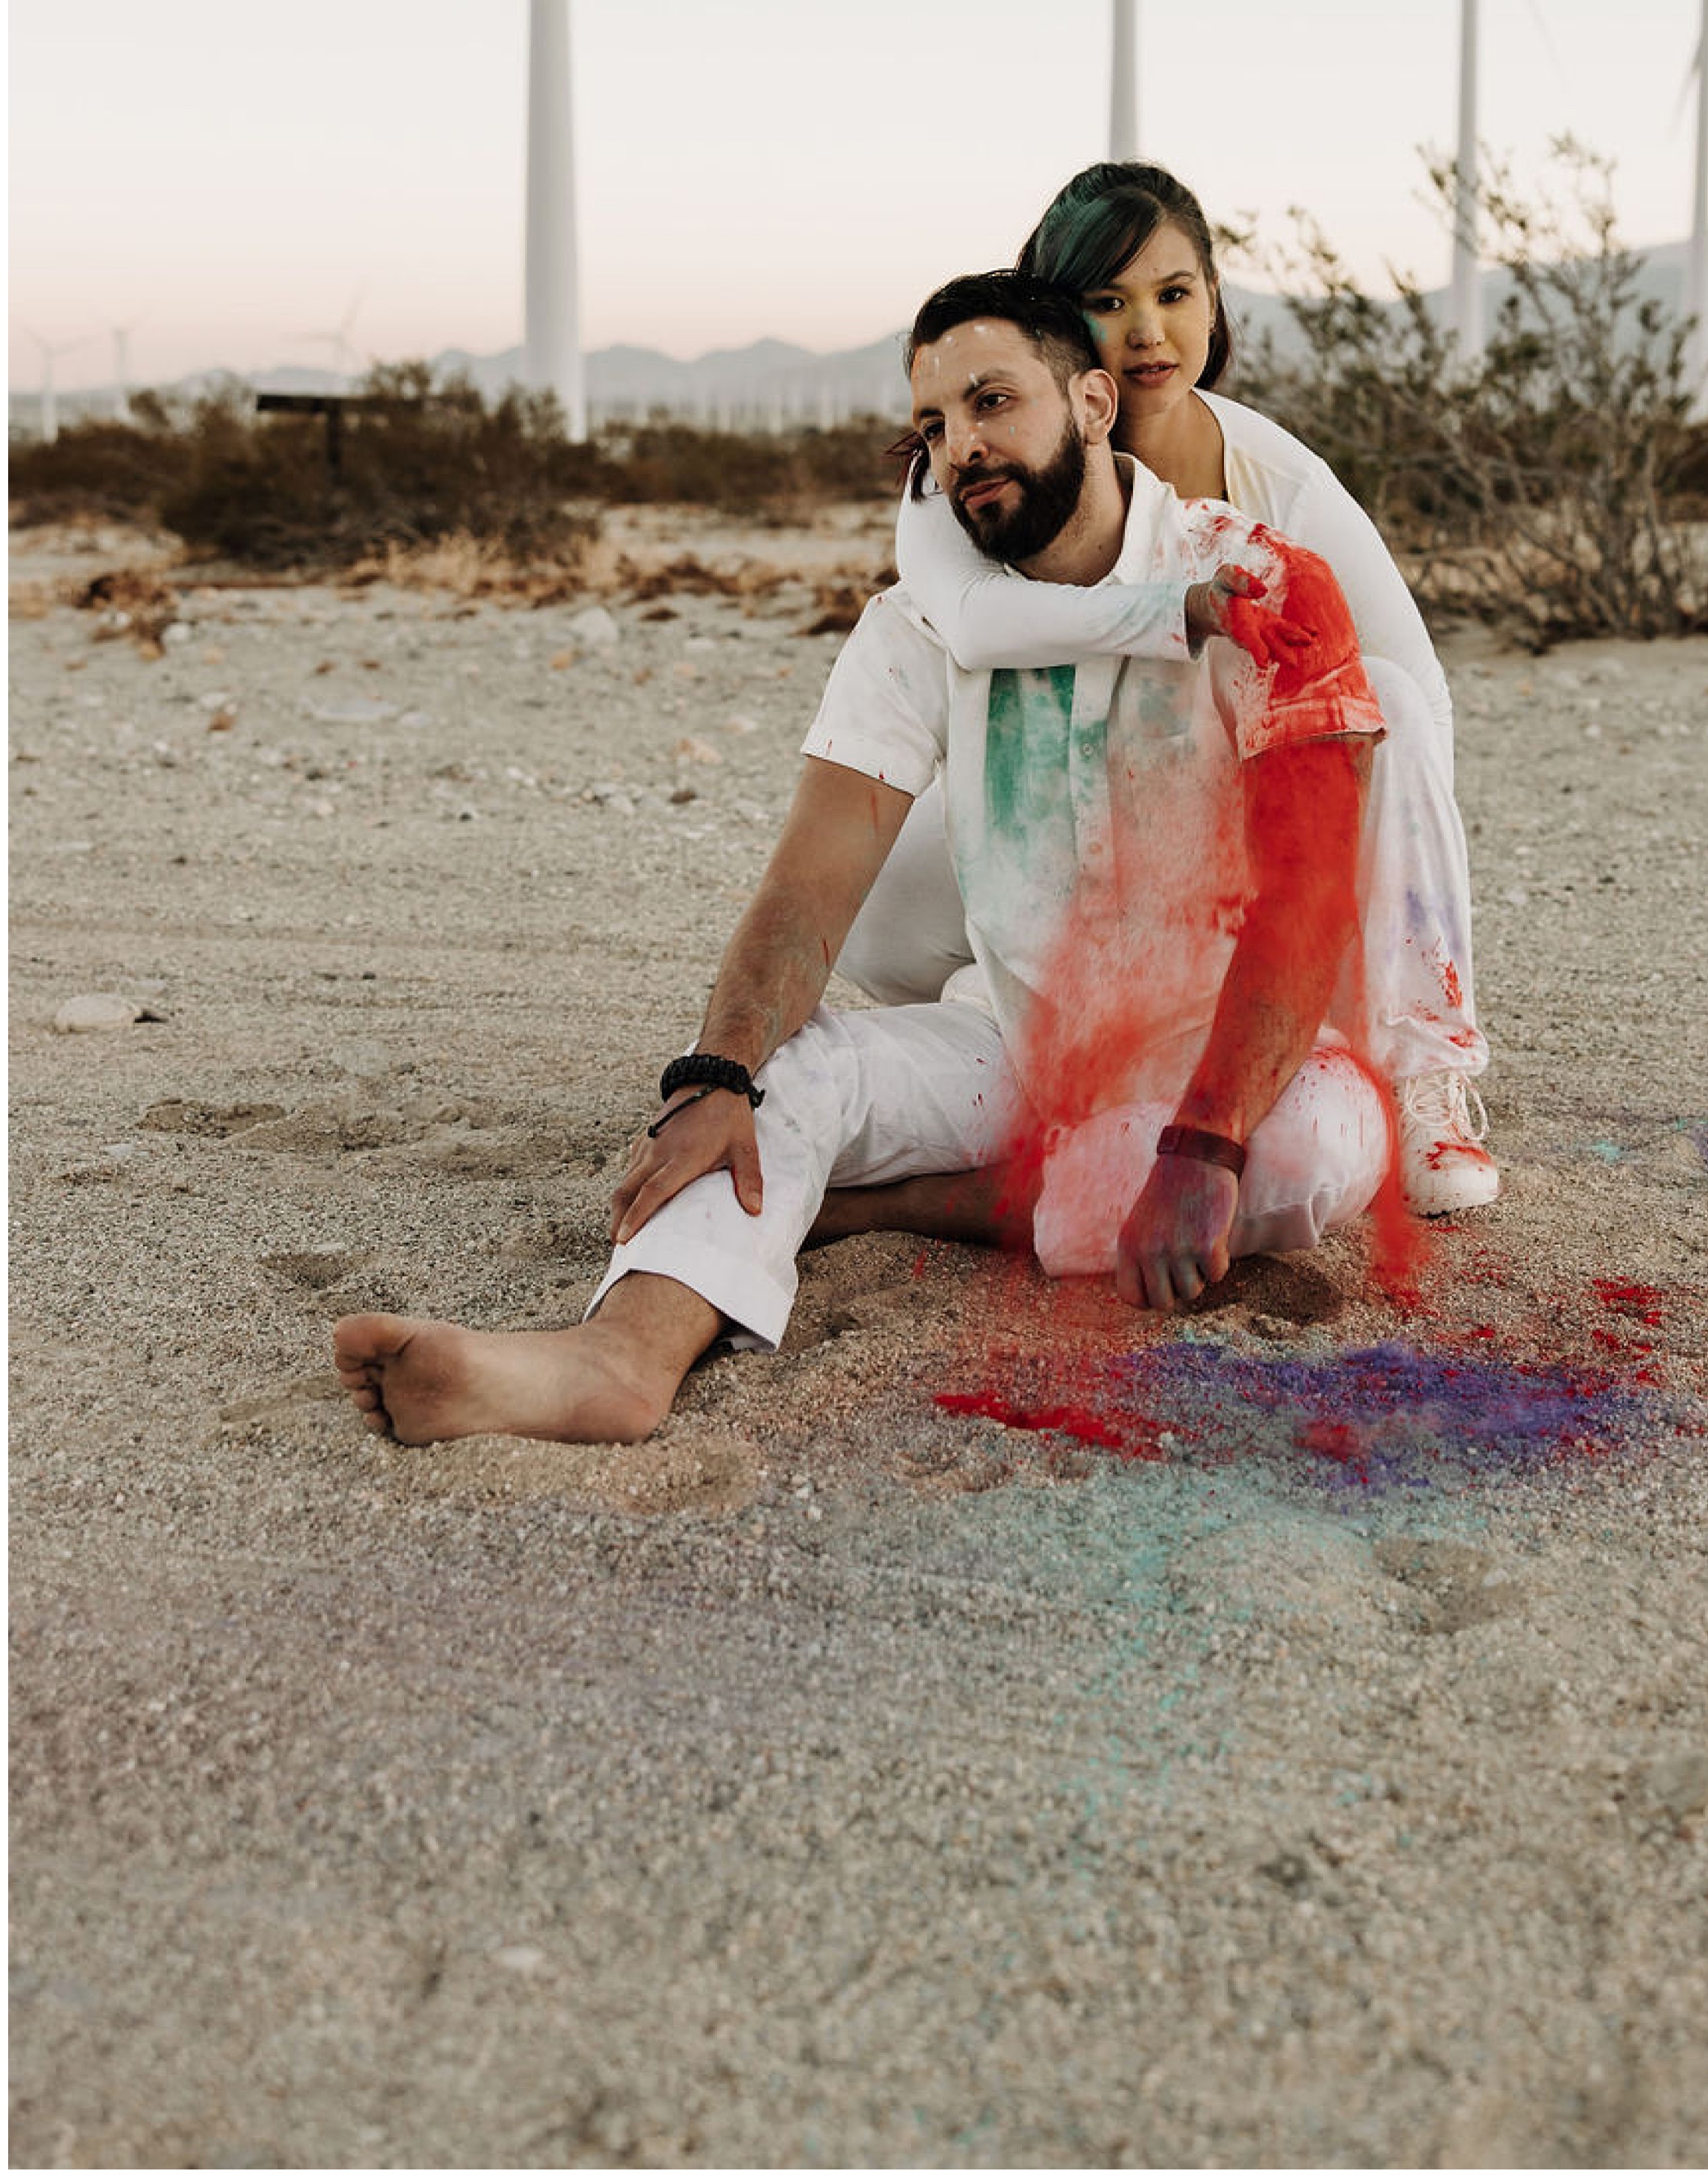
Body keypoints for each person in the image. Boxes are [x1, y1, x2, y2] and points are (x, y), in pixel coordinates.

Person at [334, 271, 1405, 1447]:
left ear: (1095, 403)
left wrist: (1205, 1143)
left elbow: (1311, 903)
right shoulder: (917, 628)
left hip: (1235, 1057)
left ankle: (881, 1207)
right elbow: (811, 882)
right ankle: (616, 1356)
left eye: (994, 402)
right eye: (936, 425)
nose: (963, 448)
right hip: (1017, 1035)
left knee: (1315, 1151)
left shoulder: (1264, 586)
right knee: (780, 1078)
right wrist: (719, 1072)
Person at [841, 159, 1495, 1215]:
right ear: (1058, 326)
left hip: (1226, 799)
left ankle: (1423, 1076)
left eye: (1174, 295)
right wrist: (1167, 615)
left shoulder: (1276, 483)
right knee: (870, 899)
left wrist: (1332, 876)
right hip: (1050, 805)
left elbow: (1415, 696)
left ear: (1214, 305)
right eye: (1108, 302)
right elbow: (969, 621)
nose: (1147, 330)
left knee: (1397, 702)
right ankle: (1018, 1025)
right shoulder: (963, 469)